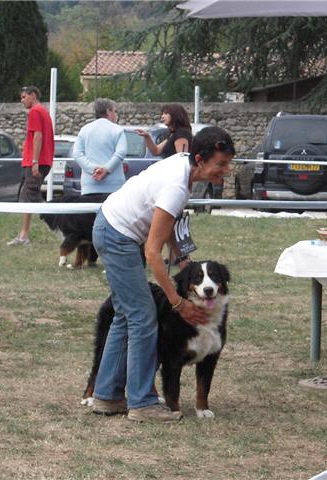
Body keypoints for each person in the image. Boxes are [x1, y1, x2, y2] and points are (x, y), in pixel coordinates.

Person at [91, 126, 235, 423]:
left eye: (227, 163)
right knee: (143, 315)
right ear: (199, 159)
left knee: (124, 315)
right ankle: (142, 404)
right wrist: (177, 302)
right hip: (117, 235)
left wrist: (183, 260)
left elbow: (166, 223)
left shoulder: (185, 167)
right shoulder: (176, 186)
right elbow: (153, 254)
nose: (226, 170)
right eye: (220, 164)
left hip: (112, 228)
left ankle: (106, 396)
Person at [7, 86, 54, 246]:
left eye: (24, 97)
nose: (22, 100)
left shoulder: (35, 111)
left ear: (33, 96)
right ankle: (23, 235)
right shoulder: (43, 111)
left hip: (36, 162)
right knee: (27, 197)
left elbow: (38, 137)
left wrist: (34, 162)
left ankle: (62, 223)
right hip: (41, 161)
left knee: (33, 198)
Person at [72, 98, 127, 198]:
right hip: (114, 185)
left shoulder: (85, 129)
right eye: (115, 111)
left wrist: (92, 169)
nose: (116, 115)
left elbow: (77, 153)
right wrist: (106, 169)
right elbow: (121, 152)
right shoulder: (117, 130)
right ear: (108, 111)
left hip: (90, 184)